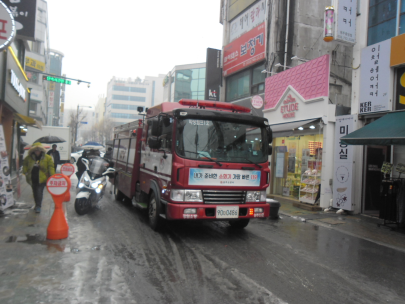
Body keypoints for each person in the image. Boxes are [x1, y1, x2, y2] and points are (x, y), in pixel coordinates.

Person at [23, 142, 55, 213]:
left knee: (39, 191)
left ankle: (38, 206)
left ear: (41, 150)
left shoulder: (47, 158)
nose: (37, 151)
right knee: (34, 192)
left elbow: (51, 167)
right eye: (35, 150)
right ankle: (37, 204)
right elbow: (25, 164)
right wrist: (25, 171)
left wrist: (52, 176)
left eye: (38, 150)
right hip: (32, 178)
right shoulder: (28, 158)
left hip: (42, 178)